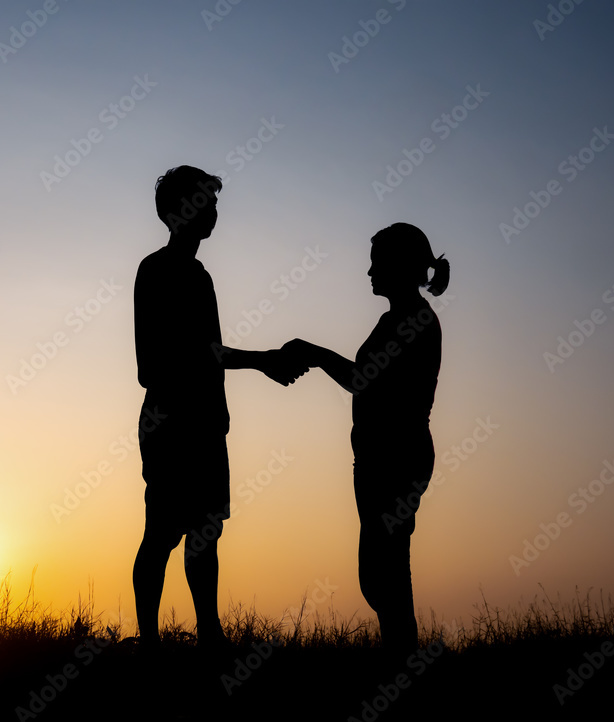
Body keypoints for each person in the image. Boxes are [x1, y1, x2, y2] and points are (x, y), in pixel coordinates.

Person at [132, 165, 306, 649]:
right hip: (171, 425)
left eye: (213, 202)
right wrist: (263, 361)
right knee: (163, 534)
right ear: (176, 212)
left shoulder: (199, 275)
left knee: (204, 532)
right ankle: (149, 643)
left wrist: (256, 366)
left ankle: (209, 634)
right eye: (205, 201)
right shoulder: (157, 271)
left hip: (206, 425)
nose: (213, 211)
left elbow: (207, 352)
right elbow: (159, 364)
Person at [284, 222, 449, 659]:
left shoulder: (414, 320)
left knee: (386, 572)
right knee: (382, 573)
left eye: (376, 263)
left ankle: (402, 665)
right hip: (379, 459)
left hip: (395, 459)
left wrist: (314, 354)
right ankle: (401, 661)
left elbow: (365, 380)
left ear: (398, 265)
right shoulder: (396, 317)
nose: (369, 272)